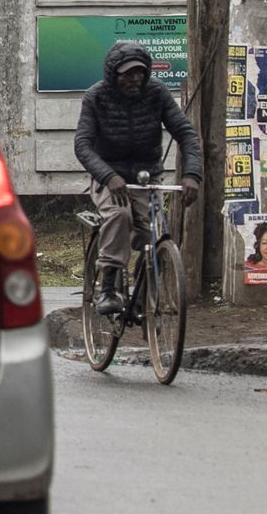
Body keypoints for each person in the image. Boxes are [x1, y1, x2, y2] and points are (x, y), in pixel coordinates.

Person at [72, 39, 203, 312]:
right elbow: (82, 145)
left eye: (140, 72)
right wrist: (108, 176)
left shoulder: (157, 93)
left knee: (154, 232)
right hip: (110, 176)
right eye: (128, 74)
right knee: (119, 216)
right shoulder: (95, 98)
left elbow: (186, 134)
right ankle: (107, 287)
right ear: (113, 75)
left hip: (147, 176)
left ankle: (145, 294)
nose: (135, 78)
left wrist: (192, 174)